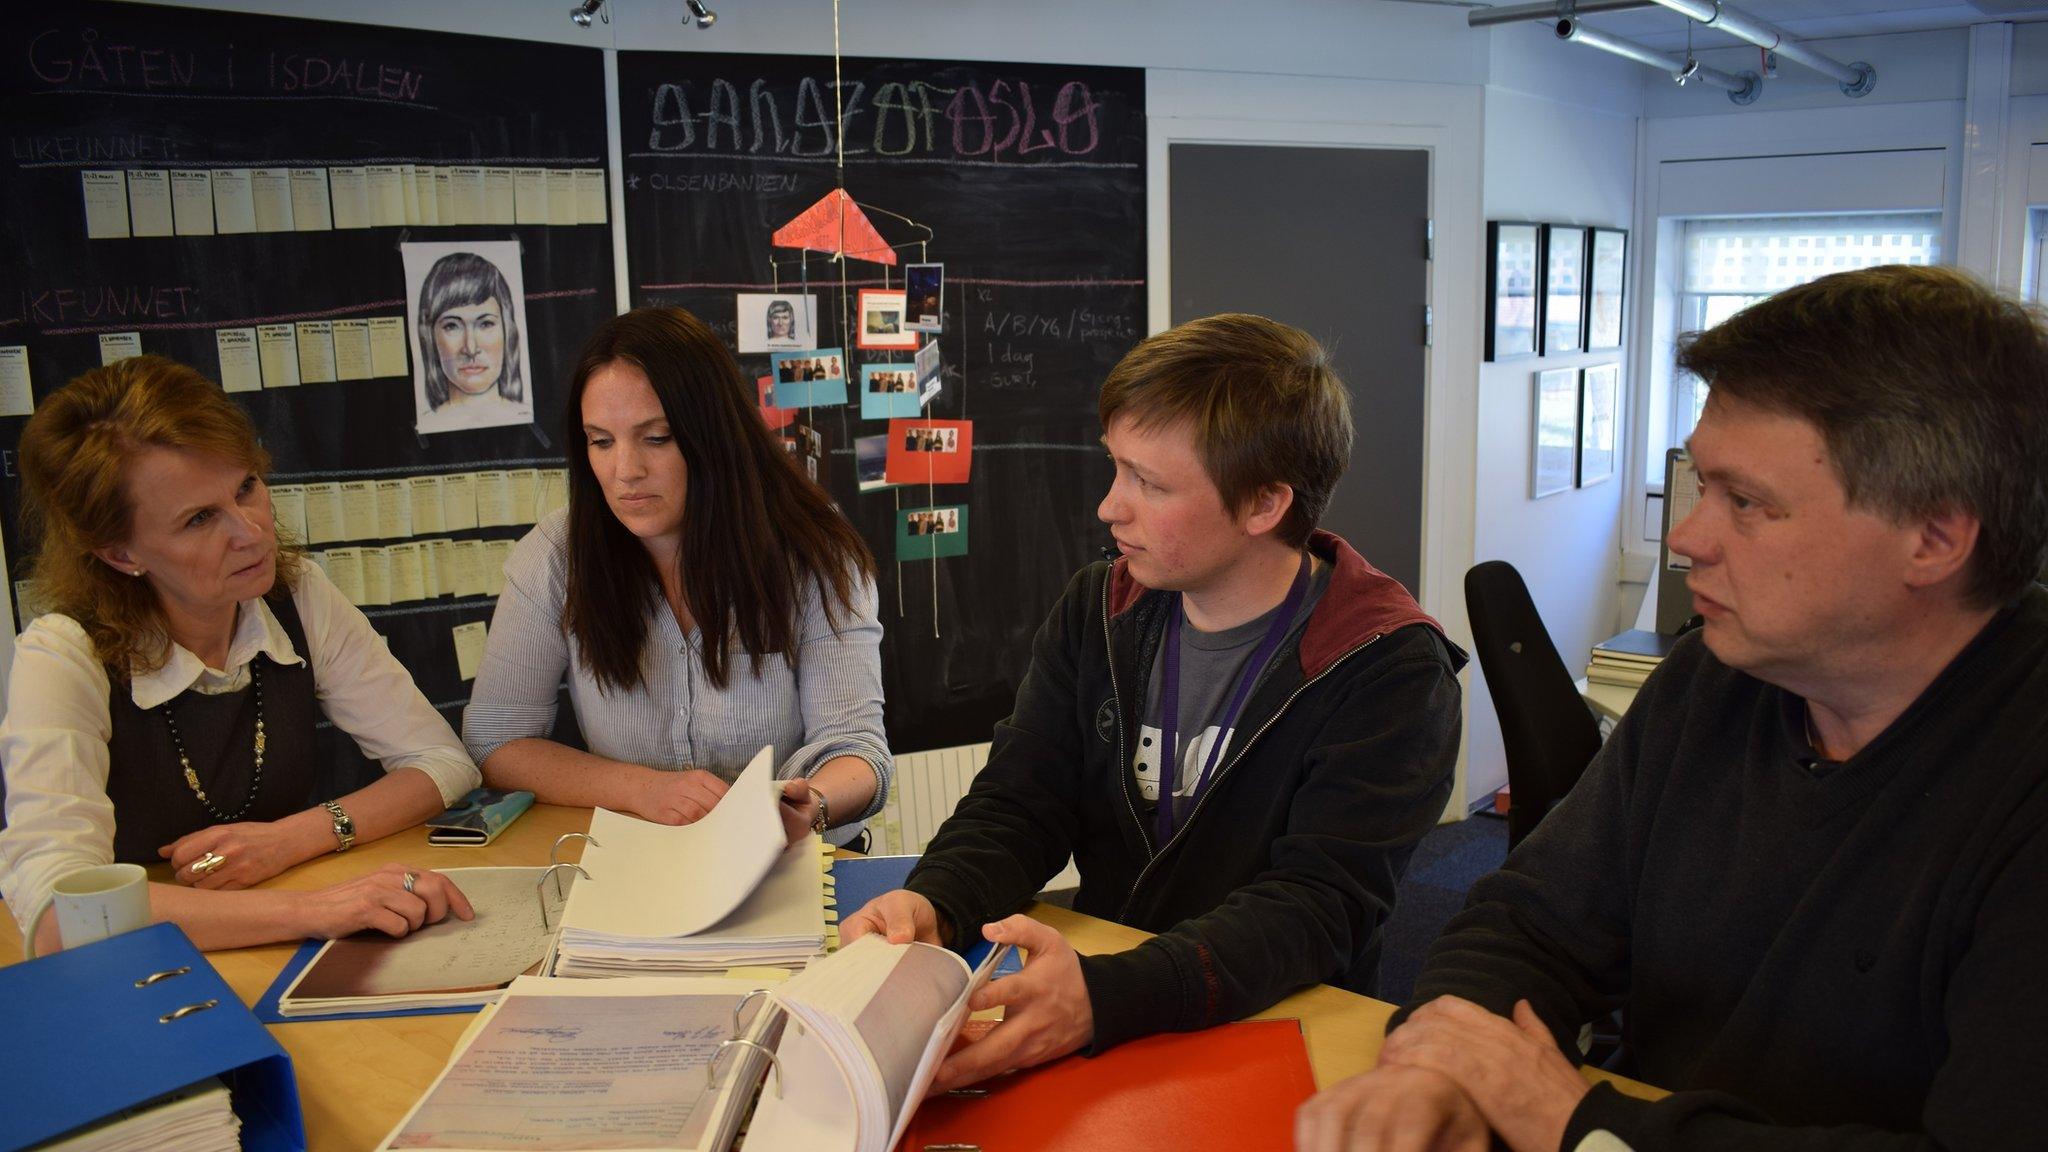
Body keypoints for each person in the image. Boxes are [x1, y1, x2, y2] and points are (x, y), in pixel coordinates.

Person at [1296, 265, 2048, 1152]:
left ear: (1934, 537)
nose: (1687, 539)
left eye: (1747, 503)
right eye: (1702, 487)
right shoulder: (1716, 680)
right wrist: (1441, 1065)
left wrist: (1576, 1125)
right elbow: (1532, 920)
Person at [842, 313, 1463, 1090]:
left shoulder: (1388, 667)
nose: (1110, 507)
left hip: (1271, 1030)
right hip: (1111, 998)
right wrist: (936, 903)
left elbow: (1315, 911)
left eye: (1150, 483)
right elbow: (1019, 803)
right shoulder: (1099, 608)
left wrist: (1106, 997)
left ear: (1265, 504)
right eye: (1117, 469)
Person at [0, 357, 481, 955]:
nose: (251, 531)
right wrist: (311, 909)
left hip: (280, 941)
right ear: (121, 553)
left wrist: (290, 839)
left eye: (247, 487)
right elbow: (59, 912)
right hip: (142, 968)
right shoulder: (63, 651)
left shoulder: (296, 593)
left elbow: (441, 763)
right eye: (200, 519)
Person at [463, 307, 891, 846]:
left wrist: (812, 804)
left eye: (657, 438)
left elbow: (857, 748)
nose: (626, 471)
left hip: (800, 863)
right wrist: (643, 789)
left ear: (713, 435)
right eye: (601, 441)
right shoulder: (555, 557)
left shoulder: (812, 550)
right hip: (643, 864)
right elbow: (497, 741)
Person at [415, 251, 531, 433]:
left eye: (485, 324)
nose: (470, 348)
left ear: (507, 331)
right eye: (452, 326)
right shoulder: (426, 423)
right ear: (430, 337)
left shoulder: (526, 417)